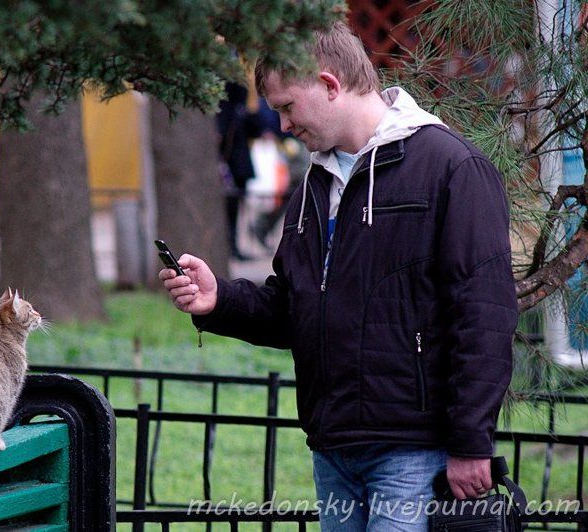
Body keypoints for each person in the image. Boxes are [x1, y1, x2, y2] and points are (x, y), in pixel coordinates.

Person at [159, 21, 518, 530]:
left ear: (329, 85)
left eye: (286, 107)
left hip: (416, 454)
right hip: (333, 452)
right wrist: (220, 301)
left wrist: (470, 442)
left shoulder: (451, 167)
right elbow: (293, 308)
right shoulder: (313, 185)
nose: (282, 125)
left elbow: (484, 315)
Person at [217, 82, 262, 261]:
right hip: (230, 163)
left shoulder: (240, 105)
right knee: (230, 208)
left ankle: (234, 245)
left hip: (238, 163)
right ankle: (231, 245)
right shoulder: (228, 107)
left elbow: (255, 128)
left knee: (236, 208)